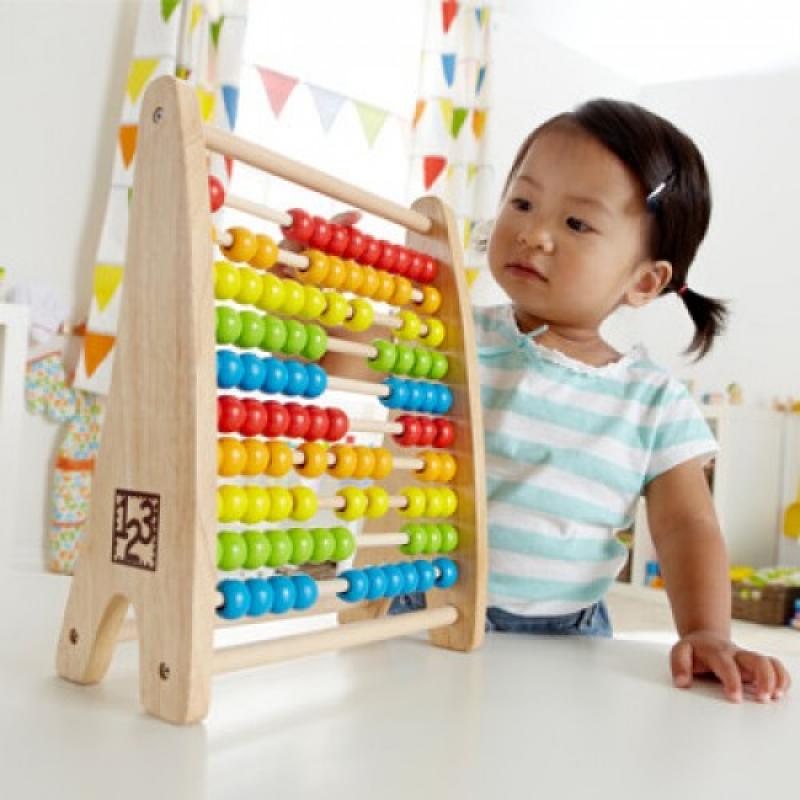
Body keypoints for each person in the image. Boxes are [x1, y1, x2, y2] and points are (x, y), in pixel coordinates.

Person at [305, 99, 791, 703]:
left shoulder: (653, 402)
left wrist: (705, 631)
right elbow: (343, 358)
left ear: (644, 281)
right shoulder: (448, 334)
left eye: (577, 224)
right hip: (423, 607)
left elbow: (687, 523)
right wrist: (321, 294)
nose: (534, 233)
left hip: (568, 635)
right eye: (523, 203)